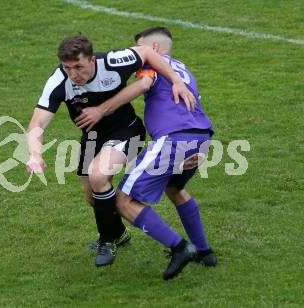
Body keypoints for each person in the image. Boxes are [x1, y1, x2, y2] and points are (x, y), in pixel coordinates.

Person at [26, 34, 196, 268]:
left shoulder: (113, 62)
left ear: (92, 60)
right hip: (92, 138)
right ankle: (117, 232)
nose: (74, 74)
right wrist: (35, 154)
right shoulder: (59, 81)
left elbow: (146, 52)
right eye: (67, 68)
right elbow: (37, 124)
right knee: (92, 197)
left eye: (79, 67)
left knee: (98, 175)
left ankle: (107, 241)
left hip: (127, 130)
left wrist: (176, 80)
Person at [75, 26, 217, 280]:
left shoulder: (153, 63)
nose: (136, 54)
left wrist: (104, 108)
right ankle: (205, 253)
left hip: (173, 138)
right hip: (200, 136)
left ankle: (181, 248)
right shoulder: (182, 69)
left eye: (140, 48)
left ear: (153, 50)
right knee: (174, 189)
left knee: (121, 201)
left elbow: (143, 84)